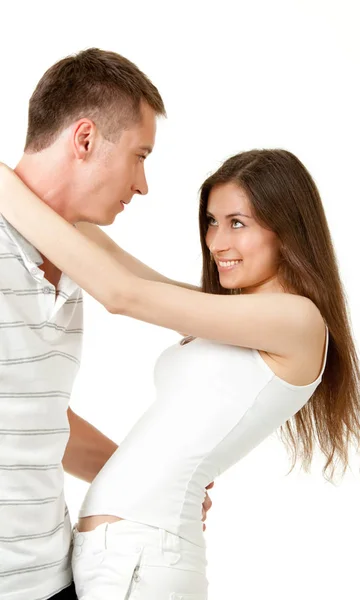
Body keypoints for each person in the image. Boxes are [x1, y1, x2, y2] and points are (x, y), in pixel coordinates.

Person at [0, 148, 360, 599]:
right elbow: (109, 258)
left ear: (287, 227)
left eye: (238, 222)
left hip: (145, 561)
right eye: (212, 222)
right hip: (122, 557)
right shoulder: (237, 315)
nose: (217, 243)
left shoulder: (297, 321)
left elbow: (124, 294)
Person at [0, 48, 213, 600]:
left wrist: (148, 479)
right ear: (86, 139)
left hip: (53, 578)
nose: (143, 184)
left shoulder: (78, 257)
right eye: (140, 155)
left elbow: (40, 421)